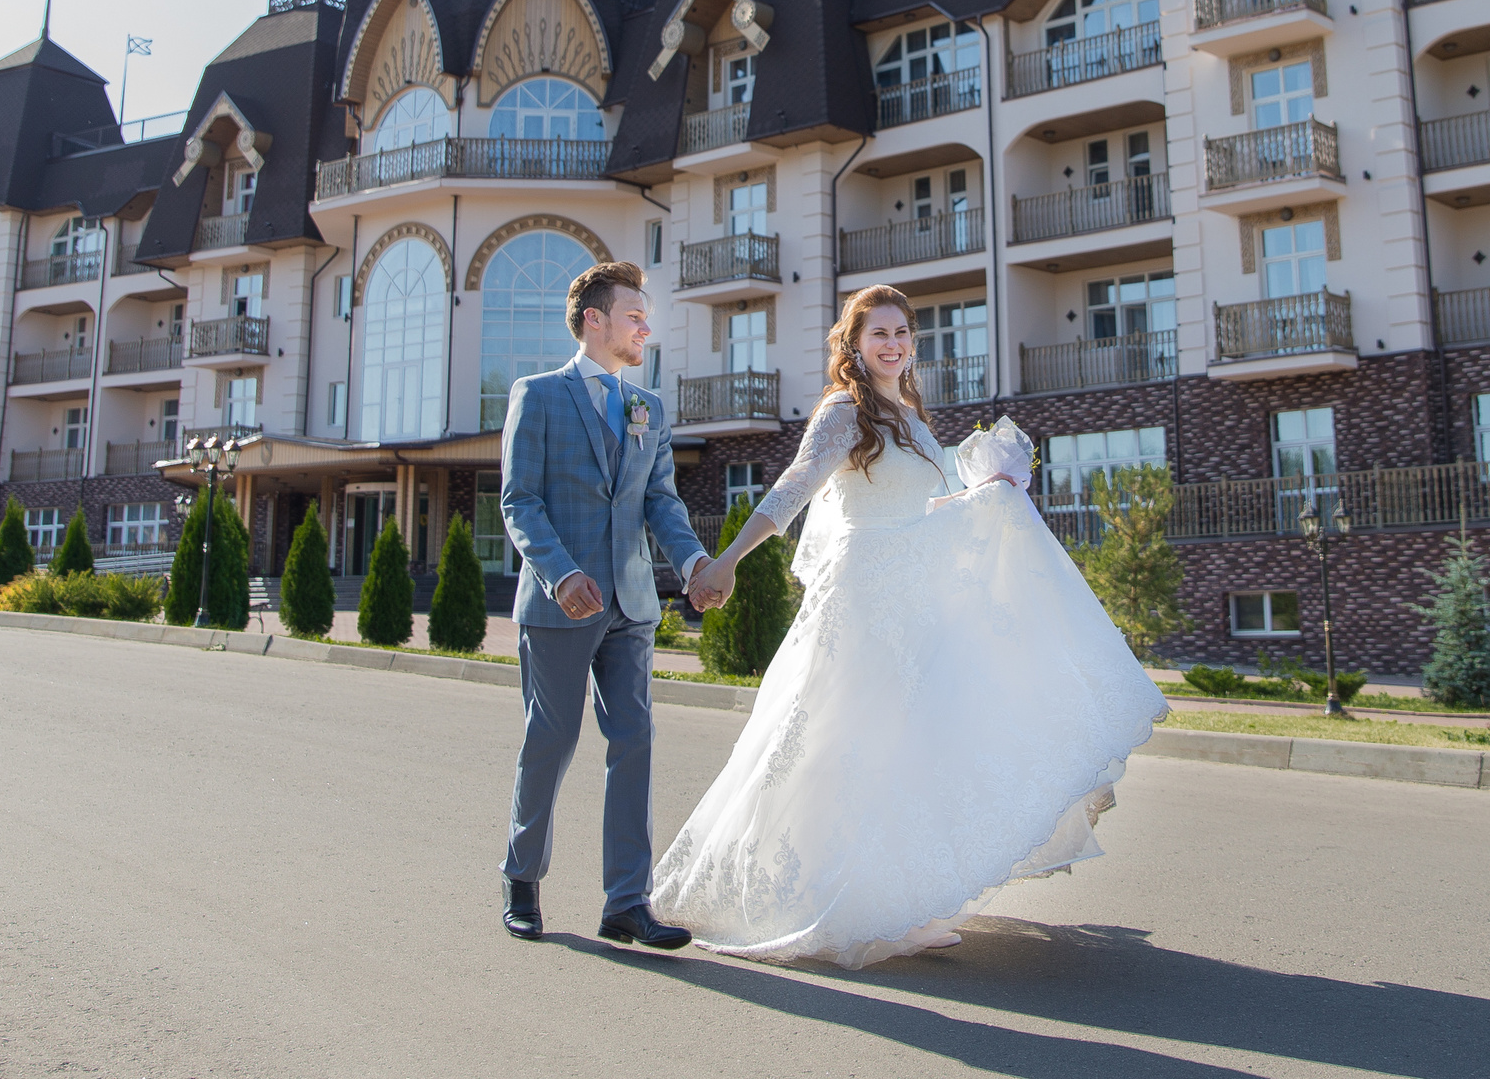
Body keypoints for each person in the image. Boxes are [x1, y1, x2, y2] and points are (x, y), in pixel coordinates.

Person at [650, 285, 1168, 967]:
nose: (891, 344)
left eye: (901, 332)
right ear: (854, 344)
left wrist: (989, 494)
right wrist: (727, 561)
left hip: (915, 595)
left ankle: (899, 901)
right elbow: (795, 487)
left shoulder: (911, 413)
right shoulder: (845, 410)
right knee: (846, 743)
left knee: (909, 748)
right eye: (877, 334)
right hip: (864, 595)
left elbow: (925, 503)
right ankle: (842, 904)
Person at [497, 260, 717, 949]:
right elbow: (519, 501)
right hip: (561, 605)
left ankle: (627, 901)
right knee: (552, 742)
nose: (646, 326)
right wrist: (559, 575)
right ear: (595, 320)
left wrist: (692, 562)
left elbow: (660, 500)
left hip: (632, 605)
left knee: (634, 744)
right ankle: (522, 878)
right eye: (634, 315)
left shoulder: (647, 404)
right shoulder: (537, 396)